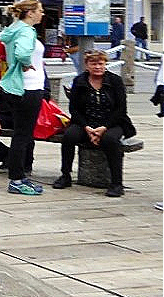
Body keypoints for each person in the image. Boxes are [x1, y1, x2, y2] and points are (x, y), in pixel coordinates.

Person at [52, 50, 135, 197]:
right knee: (69, 136)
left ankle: (116, 182)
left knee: (110, 139)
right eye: (93, 63)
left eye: (100, 63)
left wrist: (104, 128)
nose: (97, 67)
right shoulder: (80, 81)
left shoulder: (115, 80)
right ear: (87, 66)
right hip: (86, 121)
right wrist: (87, 127)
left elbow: (121, 109)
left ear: (105, 64)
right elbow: (74, 109)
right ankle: (65, 175)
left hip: (112, 122)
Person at [0, 0, 47, 196]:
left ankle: (18, 176)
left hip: (17, 87)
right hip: (29, 88)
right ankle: (16, 179)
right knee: (23, 136)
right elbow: (23, 52)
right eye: (40, 10)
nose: (42, 14)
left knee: (20, 134)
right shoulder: (26, 30)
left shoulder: (14, 28)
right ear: (30, 13)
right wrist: (26, 62)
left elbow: (6, 42)